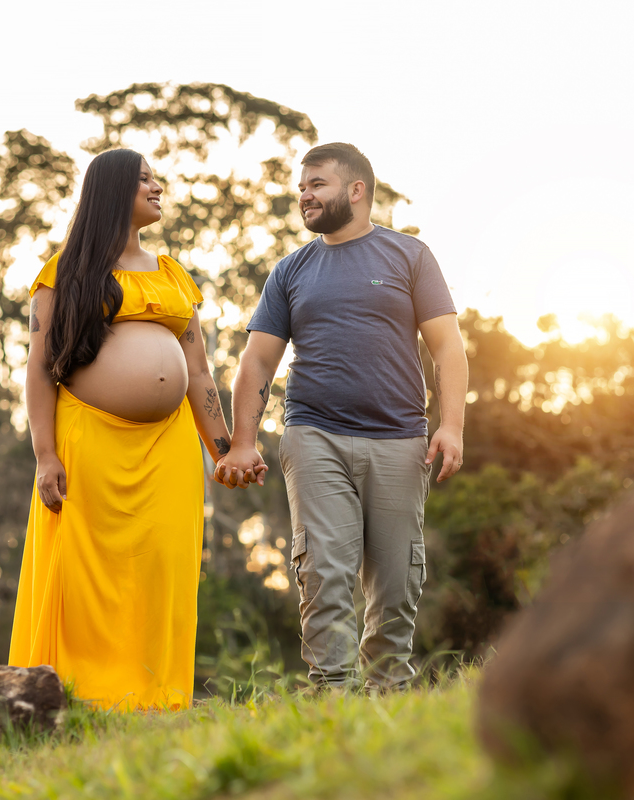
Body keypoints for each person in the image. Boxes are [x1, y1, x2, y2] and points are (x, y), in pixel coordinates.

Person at [217, 142, 468, 692]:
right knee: (323, 569)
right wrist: (242, 441)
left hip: (400, 436)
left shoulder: (410, 257)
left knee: (397, 578)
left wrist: (451, 426)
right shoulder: (290, 271)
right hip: (314, 434)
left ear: (356, 191)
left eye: (316, 185)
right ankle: (333, 690)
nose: (304, 195)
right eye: (301, 186)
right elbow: (258, 358)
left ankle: (386, 689)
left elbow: (448, 347)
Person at [8, 148, 233, 711]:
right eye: (144, 180)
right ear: (112, 193)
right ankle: (83, 697)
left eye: (157, 179)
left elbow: (199, 372)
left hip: (169, 448)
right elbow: (39, 367)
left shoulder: (173, 274)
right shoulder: (65, 274)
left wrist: (226, 450)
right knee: (85, 579)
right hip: (91, 443)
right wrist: (44, 454)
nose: (158, 187)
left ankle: (158, 696)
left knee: (164, 572)